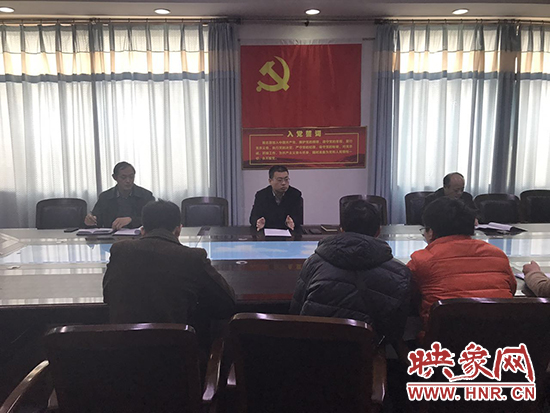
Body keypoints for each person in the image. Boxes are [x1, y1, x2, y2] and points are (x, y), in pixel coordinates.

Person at [290, 199, 411, 348]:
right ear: (378, 231)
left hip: (316, 350)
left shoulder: (313, 262)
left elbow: (296, 312)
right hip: (366, 354)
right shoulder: (400, 273)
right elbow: (395, 331)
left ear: (341, 229)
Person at [103, 200, 236, 325]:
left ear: (142, 230)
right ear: (178, 230)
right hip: (176, 340)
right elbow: (227, 302)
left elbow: (108, 295)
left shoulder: (120, 250)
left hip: (124, 340)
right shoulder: (192, 257)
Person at [408, 197, 516, 338]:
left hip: (444, 343)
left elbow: (408, 296)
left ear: (431, 232)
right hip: (500, 340)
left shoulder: (422, 260)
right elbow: (511, 289)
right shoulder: (497, 254)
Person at [84, 161, 154, 229]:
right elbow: (97, 219)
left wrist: (131, 220)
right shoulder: (105, 197)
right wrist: (90, 220)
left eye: (131, 177)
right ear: (115, 177)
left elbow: (152, 219)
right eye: (123, 177)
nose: (128, 181)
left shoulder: (146, 195)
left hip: (139, 235)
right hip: (111, 235)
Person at [249, 165, 303, 231]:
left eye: (286, 179)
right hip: (266, 232)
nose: (283, 183)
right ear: (270, 181)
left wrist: (293, 221)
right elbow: (253, 218)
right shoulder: (261, 195)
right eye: (279, 180)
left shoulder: (295, 194)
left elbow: (299, 218)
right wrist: (258, 222)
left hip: (289, 232)